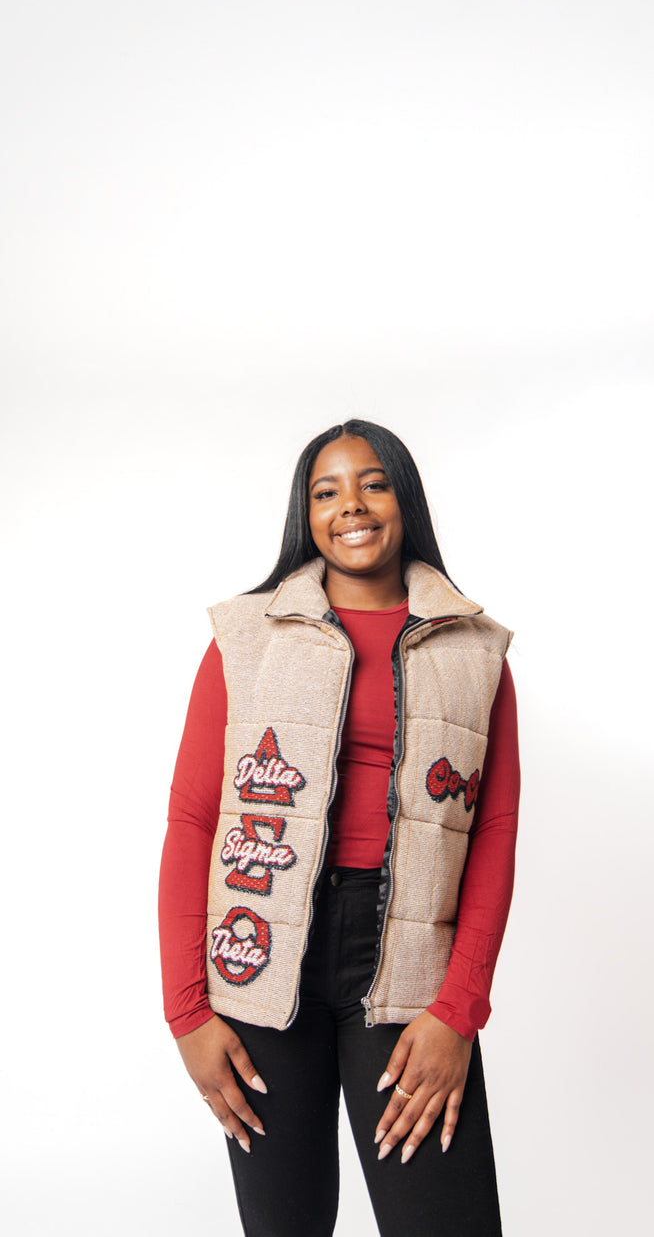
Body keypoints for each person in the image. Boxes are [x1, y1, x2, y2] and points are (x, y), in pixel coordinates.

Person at [159, 418, 520, 1237]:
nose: (350, 506)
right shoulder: (243, 640)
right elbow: (192, 822)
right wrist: (187, 1011)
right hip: (258, 961)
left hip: (406, 964)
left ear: (405, 500)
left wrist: (458, 1007)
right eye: (327, 490)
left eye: (373, 483)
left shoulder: (474, 651)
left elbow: (493, 832)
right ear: (305, 512)